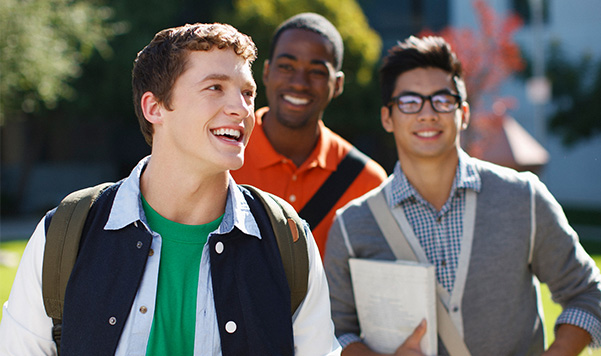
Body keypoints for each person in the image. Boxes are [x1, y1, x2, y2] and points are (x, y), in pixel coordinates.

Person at [0, 23, 341, 356]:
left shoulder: (288, 239)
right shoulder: (64, 233)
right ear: (155, 108)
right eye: (215, 88)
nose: (242, 108)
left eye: (247, 92)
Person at [324, 35, 601, 355]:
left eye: (442, 100)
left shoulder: (523, 199)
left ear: (464, 112)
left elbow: (587, 293)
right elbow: (334, 330)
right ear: (388, 117)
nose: (427, 114)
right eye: (409, 102)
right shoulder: (352, 224)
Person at [231, 13, 388, 258]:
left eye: (316, 71)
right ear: (266, 73)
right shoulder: (222, 155)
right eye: (286, 67)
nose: (299, 83)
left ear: (337, 84)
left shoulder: (368, 183)